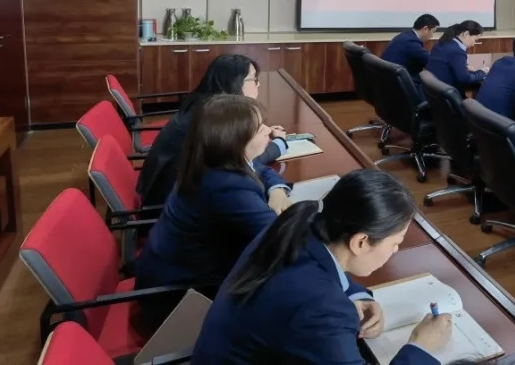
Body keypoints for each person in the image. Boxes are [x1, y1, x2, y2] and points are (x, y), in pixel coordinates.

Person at [192, 169, 450, 364]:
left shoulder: (295, 226)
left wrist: (357, 295)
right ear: (360, 242)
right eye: (395, 243)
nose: (395, 251)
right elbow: (313, 298)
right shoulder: (322, 308)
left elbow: (319, 274)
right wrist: (421, 348)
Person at [135, 94, 291, 329]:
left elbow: (258, 168)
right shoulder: (226, 186)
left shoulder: (210, 160)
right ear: (236, 142)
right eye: (260, 129)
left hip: (168, 276)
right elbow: (283, 238)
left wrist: (277, 189)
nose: (269, 131)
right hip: (180, 303)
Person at [136, 54, 289, 207]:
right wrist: (278, 144)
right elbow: (243, 162)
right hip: (171, 203)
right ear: (235, 82)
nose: (258, 84)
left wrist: (275, 185)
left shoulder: (203, 104)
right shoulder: (213, 119)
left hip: (166, 190)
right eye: (254, 78)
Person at [425, 21, 487, 90]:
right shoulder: (457, 51)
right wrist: (483, 72)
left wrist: (464, 68)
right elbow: (465, 79)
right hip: (445, 92)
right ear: (466, 34)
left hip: (432, 90)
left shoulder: (443, 43)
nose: (473, 44)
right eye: (475, 40)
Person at [382, 14, 440, 81]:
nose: (432, 36)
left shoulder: (406, 35)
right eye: (433, 32)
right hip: (396, 82)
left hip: (387, 78)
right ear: (425, 29)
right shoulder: (411, 42)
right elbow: (430, 61)